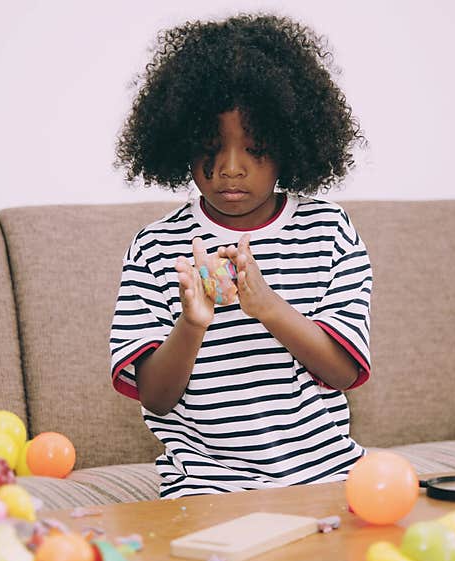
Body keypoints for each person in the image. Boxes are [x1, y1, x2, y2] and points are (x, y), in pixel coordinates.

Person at [110, 13, 371, 498]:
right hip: (207, 487)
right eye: (211, 147)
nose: (231, 168)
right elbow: (157, 398)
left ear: (292, 147)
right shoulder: (155, 247)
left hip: (328, 477)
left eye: (256, 148)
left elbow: (344, 372)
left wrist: (265, 305)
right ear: (179, 144)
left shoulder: (329, 230)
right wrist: (190, 324)